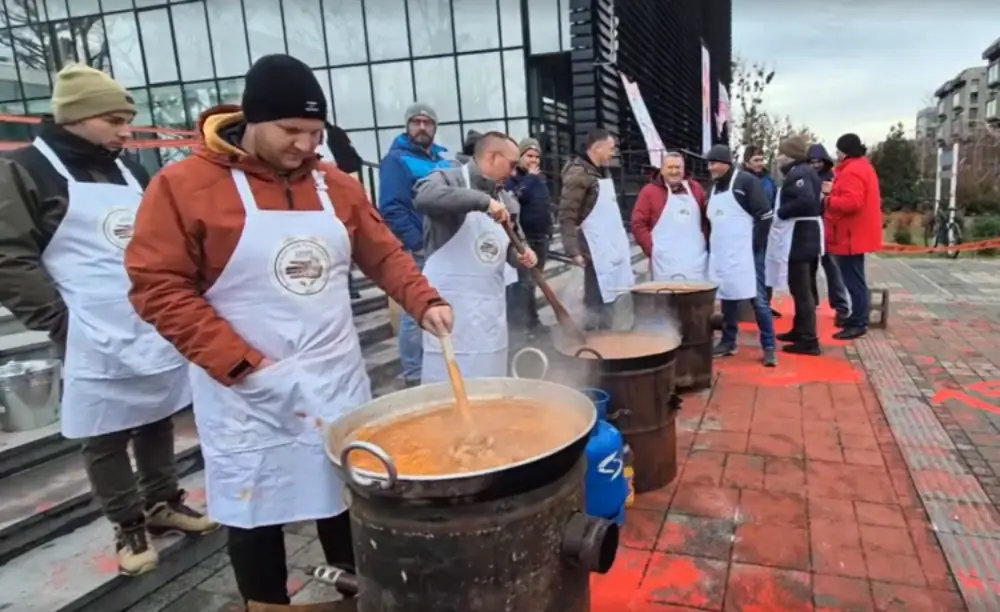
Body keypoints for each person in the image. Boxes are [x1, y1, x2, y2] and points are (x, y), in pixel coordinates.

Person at [124, 54, 454, 607]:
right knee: (255, 511)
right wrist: (240, 364)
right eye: (292, 131)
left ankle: (355, 592)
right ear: (252, 119)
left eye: (316, 132)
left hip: (334, 376)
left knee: (346, 493)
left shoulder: (335, 186)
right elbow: (156, 286)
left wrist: (425, 300)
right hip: (246, 387)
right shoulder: (184, 185)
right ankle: (266, 603)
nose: (306, 145)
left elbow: (383, 251)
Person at [0, 64, 217, 575]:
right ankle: (128, 523)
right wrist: (59, 320)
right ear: (75, 117)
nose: (126, 130)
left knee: (156, 413)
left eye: (128, 119)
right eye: (114, 119)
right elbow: (9, 256)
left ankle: (163, 503)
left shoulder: (126, 170)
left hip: (145, 317)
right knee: (104, 432)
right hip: (83, 324)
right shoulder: (28, 170)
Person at [413, 132, 537, 384]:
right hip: (448, 310)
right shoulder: (449, 178)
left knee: (489, 389)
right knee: (446, 388)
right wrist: (483, 202)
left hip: (487, 316)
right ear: (492, 156)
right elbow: (423, 196)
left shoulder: (509, 203)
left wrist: (522, 255)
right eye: (512, 165)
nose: (514, 173)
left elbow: (513, 246)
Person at [377, 102, 452, 387]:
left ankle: (439, 364)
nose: (422, 127)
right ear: (408, 126)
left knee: (438, 306)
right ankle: (413, 374)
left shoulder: (442, 160)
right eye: (416, 122)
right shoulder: (396, 160)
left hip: (445, 247)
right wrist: (417, 243)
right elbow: (391, 207)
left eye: (427, 122)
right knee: (415, 312)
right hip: (422, 249)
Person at [704, 144, 777, 367]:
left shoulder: (746, 182)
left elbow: (765, 216)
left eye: (714, 163)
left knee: (759, 302)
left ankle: (769, 347)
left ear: (726, 163)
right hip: (724, 253)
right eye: (709, 163)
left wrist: (755, 247)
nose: (710, 167)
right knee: (728, 299)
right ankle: (728, 341)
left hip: (747, 254)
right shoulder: (714, 187)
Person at [558, 128, 635, 330]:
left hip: (609, 251)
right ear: (598, 147)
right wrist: (573, 251)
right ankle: (594, 345)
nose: (613, 153)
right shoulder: (578, 174)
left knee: (609, 301)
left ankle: (606, 339)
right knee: (595, 303)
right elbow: (567, 215)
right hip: (592, 251)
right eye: (611, 148)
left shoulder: (601, 171)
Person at [766, 136, 824, 355]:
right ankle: (800, 330)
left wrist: (780, 213)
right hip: (806, 236)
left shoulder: (799, 173)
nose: (778, 157)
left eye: (781, 153)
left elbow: (806, 201)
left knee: (801, 289)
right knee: (801, 286)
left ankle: (809, 339)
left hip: (801, 237)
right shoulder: (806, 172)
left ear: (790, 155)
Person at [823, 133, 882, 340]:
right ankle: (858, 317)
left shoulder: (851, 171)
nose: (836, 154)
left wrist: (828, 201)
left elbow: (852, 202)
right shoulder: (862, 167)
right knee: (855, 277)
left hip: (850, 235)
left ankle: (858, 322)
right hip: (856, 233)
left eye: (838, 150)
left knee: (853, 280)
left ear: (844, 151)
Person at [631, 151, 709, 281]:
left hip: (696, 261)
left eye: (678, 167)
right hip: (663, 264)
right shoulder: (649, 192)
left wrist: (704, 241)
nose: (674, 171)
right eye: (670, 167)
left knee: (697, 299)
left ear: (684, 170)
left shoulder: (696, 189)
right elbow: (638, 223)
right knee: (665, 299)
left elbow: (706, 219)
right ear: (662, 170)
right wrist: (652, 250)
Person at [505, 137, 552, 333]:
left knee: (534, 283)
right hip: (525, 240)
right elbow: (515, 199)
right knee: (524, 284)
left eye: (537, 157)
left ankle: (533, 321)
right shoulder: (513, 179)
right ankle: (522, 326)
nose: (534, 160)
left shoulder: (539, 178)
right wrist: (531, 178)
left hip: (542, 238)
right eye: (529, 156)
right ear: (520, 156)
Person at [807, 143, 850, 326]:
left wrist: (830, 193)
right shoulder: (805, 176)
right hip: (808, 227)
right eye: (812, 162)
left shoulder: (833, 177)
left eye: (818, 162)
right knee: (807, 269)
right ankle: (809, 304)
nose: (816, 165)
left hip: (827, 227)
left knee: (832, 269)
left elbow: (840, 201)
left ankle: (841, 308)